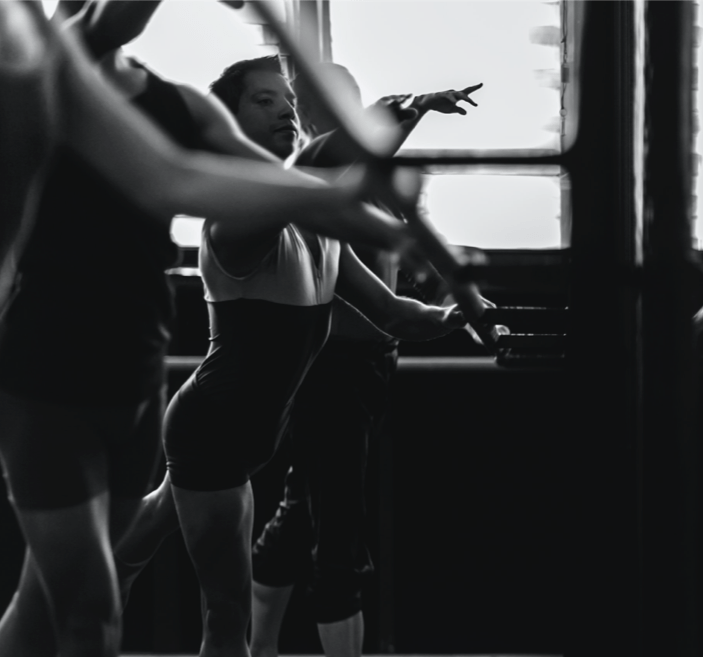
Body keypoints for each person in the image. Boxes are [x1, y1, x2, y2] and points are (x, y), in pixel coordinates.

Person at [0, 2, 435, 656]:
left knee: (55, 601)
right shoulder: (34, 69)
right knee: (92, 609)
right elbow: (174, 178)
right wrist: (361, 178)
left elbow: (275, 180)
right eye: (269, 100)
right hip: (49, 379)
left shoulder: (178, 107)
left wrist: (376, 218)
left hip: (134, 382)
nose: (286, 110)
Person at [108, 54, 466, 657]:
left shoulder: (317, 229)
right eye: (264, 100)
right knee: (227, 619)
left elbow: (395, 314)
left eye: (288, 101)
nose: (285, 110)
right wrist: (405, 110)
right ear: (229, 122)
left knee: (134, 547)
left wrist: (464, 318)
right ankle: (62, 620)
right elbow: (313, 168)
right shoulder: (236, 218)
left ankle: (57, 617)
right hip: (214, 431)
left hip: (246, 436)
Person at [248, 63, 481, 657]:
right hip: (330, 374)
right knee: (339, 539)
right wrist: (414, 105)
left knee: (301, 513)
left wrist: (456, 308)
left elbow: (400, 288)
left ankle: (254, 647)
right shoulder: (308, 185)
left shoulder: (362, 185)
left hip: (369, 366)